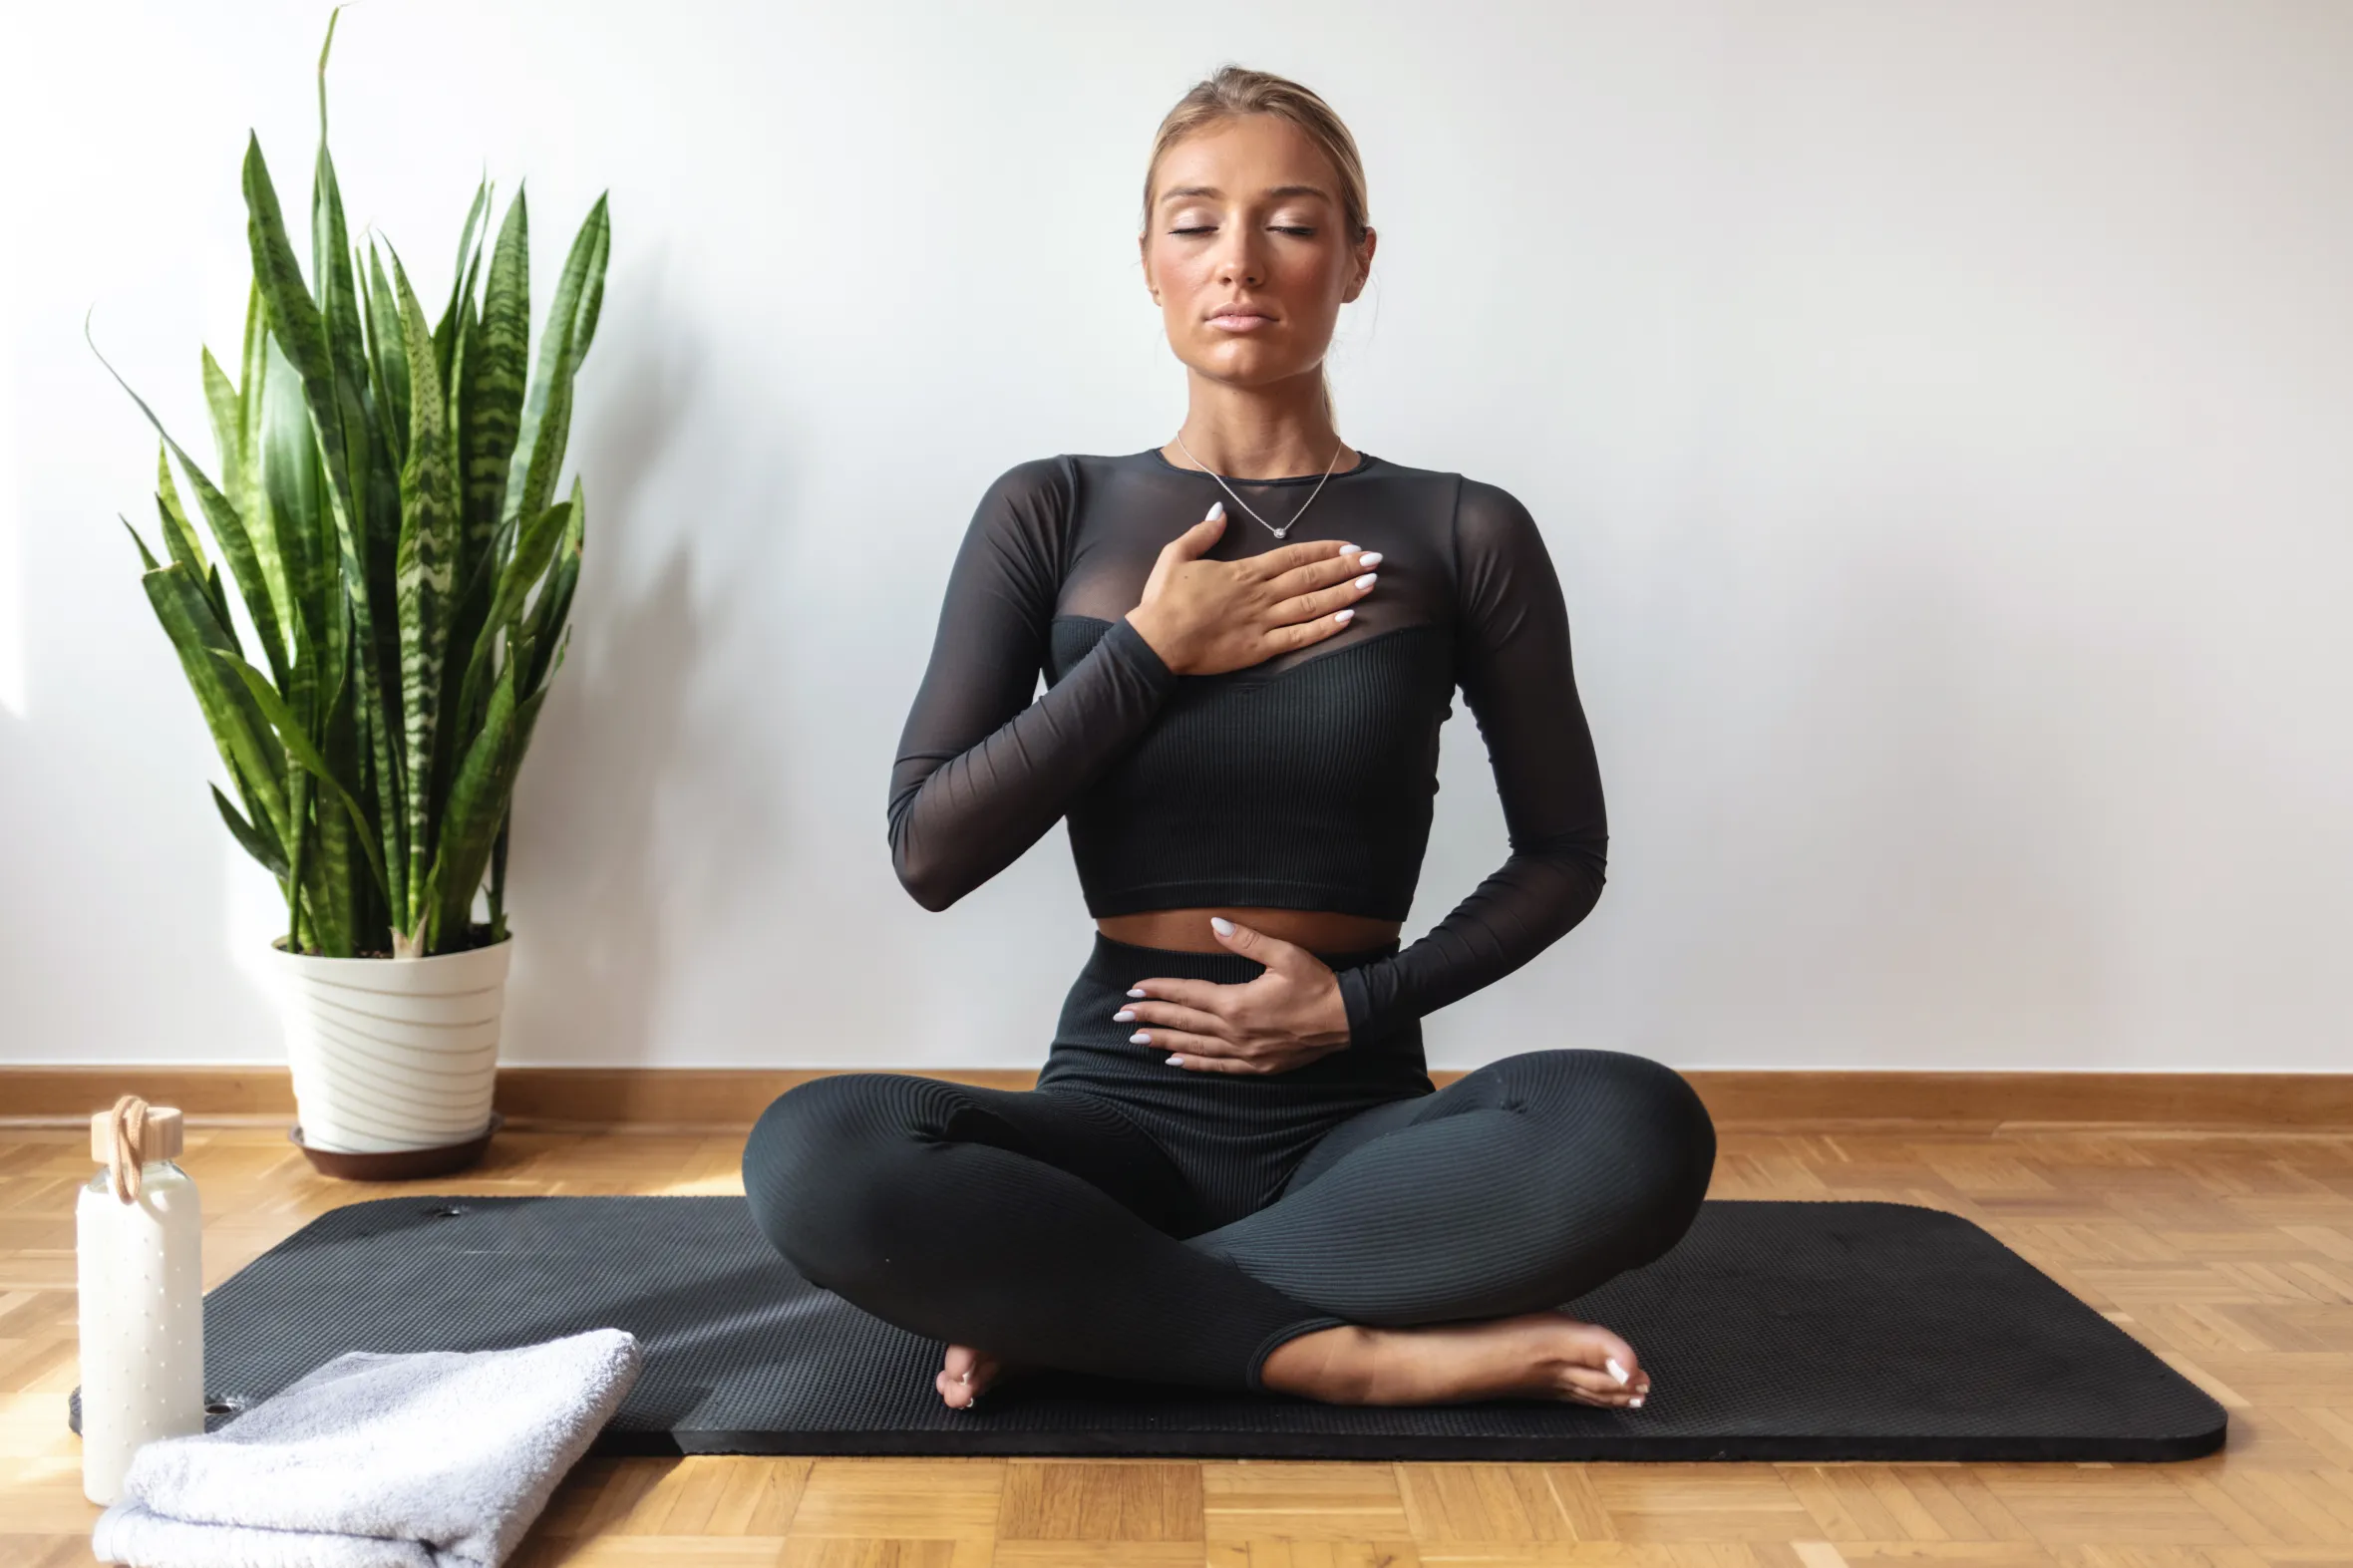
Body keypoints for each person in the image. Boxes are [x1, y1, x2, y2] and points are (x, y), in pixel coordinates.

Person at [742, 63, 1716, 1412]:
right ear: (1147, 260)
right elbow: (931, 849)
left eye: (1294, 224)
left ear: (1357, 262)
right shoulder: (1052, 509)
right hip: (1109, 1105)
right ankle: (1348, 1359)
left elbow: (1563, 854)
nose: (1239, 261)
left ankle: (1095, 1307)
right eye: (1195, 223)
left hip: (1358, 1117)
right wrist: (1150, 653)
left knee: (1635, 1126)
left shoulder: (1459, 528)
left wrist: (1359, 1004)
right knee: (818, 1148)